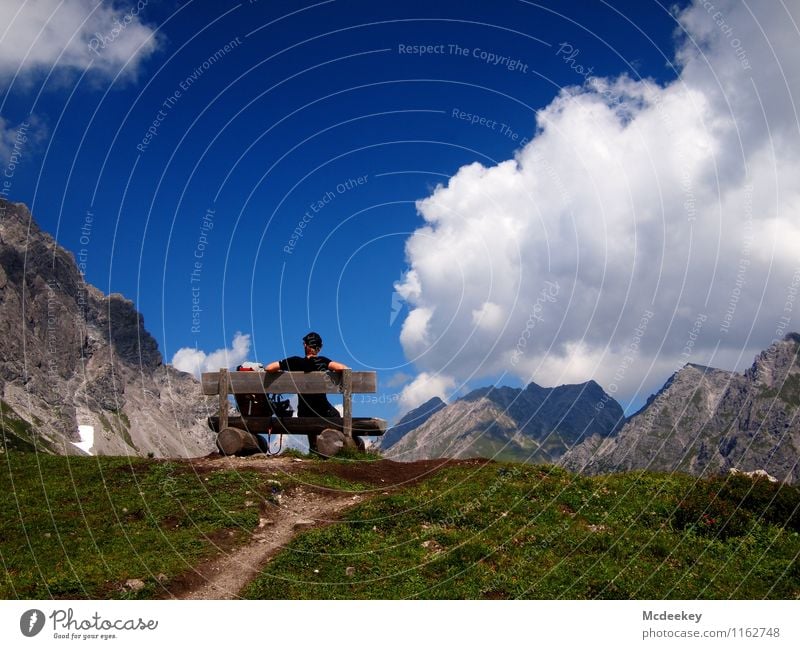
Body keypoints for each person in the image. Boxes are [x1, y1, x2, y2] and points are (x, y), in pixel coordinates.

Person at [265, 331, 349, 418]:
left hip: (303, 413)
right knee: (336, 416)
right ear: (319, 348)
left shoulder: (294, 361)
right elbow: (344, 368)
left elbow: (269, 368)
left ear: (305, 345)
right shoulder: (322, 361)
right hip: (322, 413)